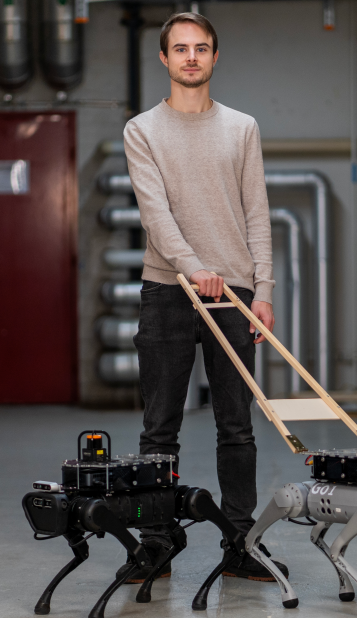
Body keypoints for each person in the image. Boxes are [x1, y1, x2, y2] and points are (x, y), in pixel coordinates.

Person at [120, 12, 288, 583]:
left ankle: (240, 544)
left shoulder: (242, 127)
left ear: (215, 58)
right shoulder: (142, 130)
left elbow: (257, 214)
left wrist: (261, 290)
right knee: (158, 428)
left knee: (236, 426)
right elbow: (155, 213)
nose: (191, 57)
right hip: (168, 291)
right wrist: (193, 269)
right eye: (180, 48)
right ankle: (157, 543)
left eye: (202, 48)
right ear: (164, 59)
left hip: (235, 293)